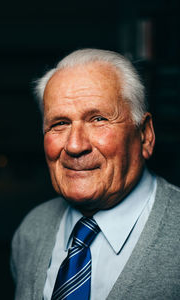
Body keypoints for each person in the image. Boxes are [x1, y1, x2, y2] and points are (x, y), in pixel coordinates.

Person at [11, 49, 180, 300]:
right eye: (59, 123)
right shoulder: (32, 230)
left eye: (98, 119)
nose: (75, 146)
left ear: (145, 135)